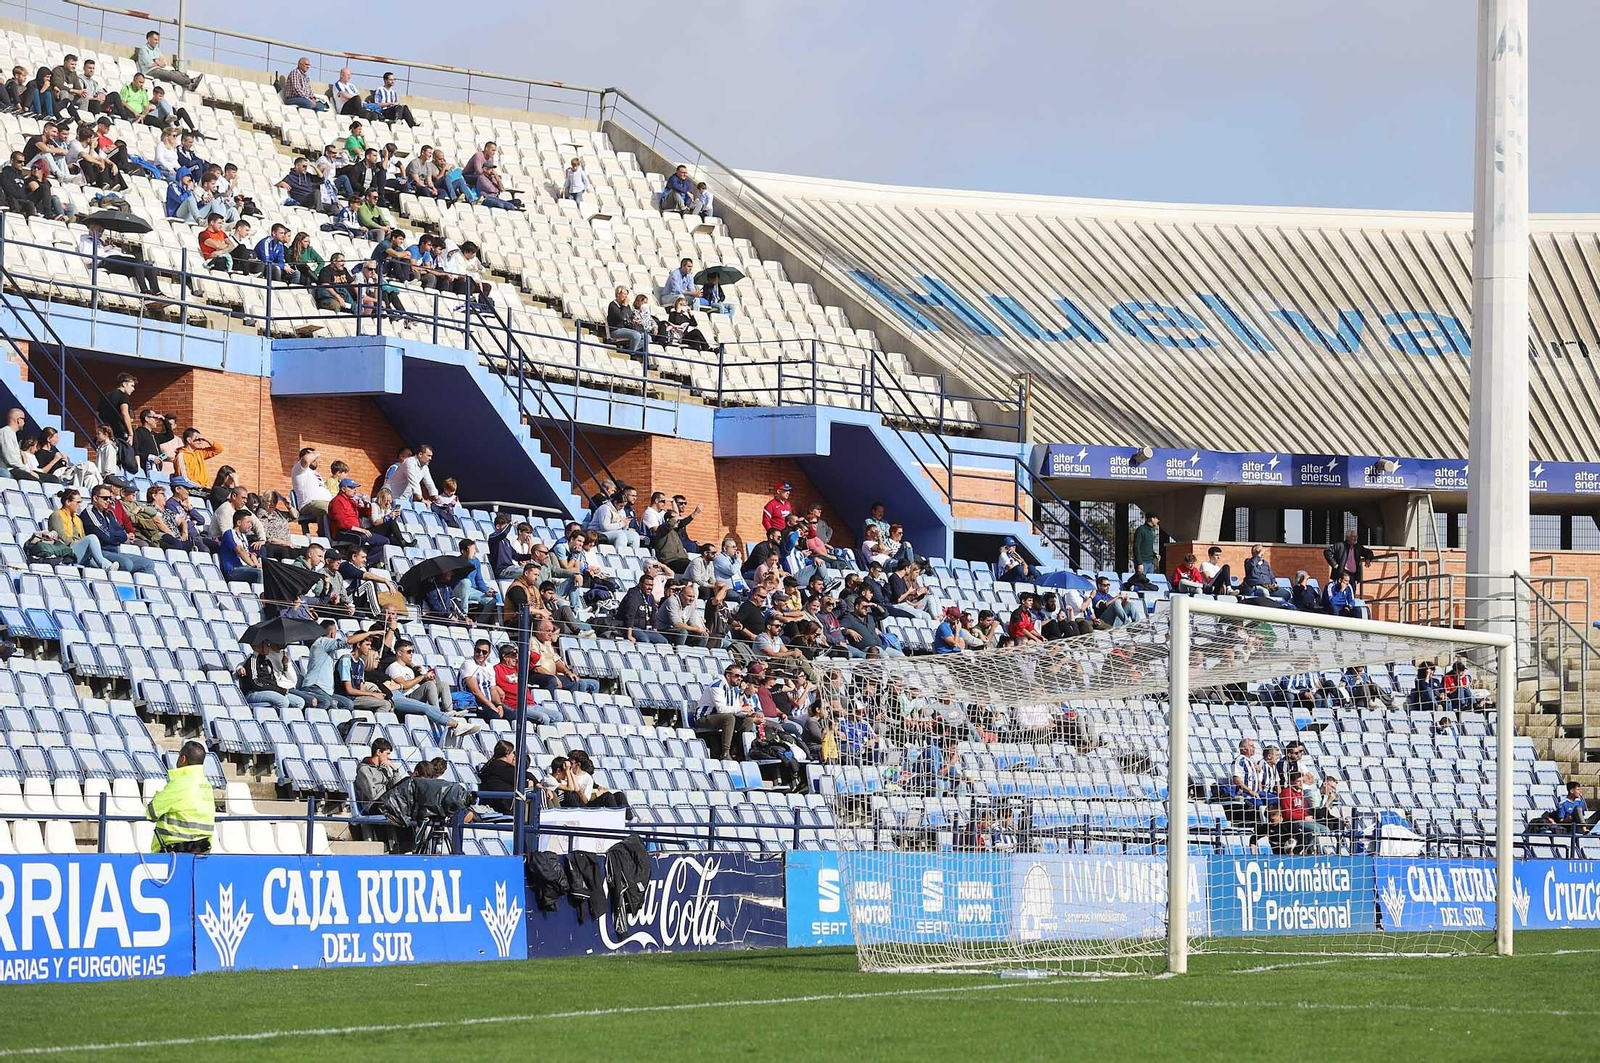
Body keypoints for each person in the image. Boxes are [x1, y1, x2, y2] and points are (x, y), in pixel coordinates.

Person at [146, 740, 214, 852]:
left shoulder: (179, 784)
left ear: (183, 759)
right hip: (201, 851)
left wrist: (158, 795)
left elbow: (151, 812)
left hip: (174, 852)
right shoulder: (206, 785)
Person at [79, 221, 163, 299]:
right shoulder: (86, 241)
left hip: (115, 259)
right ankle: (144, 292)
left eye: (102, 231)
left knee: (148, 267)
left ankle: (157, 292)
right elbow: (87, 258)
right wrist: (104, 249)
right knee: (137, 263)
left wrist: (113, 249)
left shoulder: (100, 242)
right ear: (92, 229)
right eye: (99, 230)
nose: (101, 234)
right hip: (106, 261)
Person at [695, 663, 758, 759]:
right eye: (737, 676)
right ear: (728, 676)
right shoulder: (717, 686)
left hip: (721, 717)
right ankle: (725, 753)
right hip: (704, 717)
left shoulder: (734, 689)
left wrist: (747, 714)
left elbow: (735, 709)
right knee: (729, 718)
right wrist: (742, 709)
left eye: (741, 676)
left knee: (748, 721)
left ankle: (741, 752)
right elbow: (721, 709)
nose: (740, 678)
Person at [529, 618, 598, 693]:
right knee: (551, 680)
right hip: (537, 675)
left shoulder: (547, 642)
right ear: (539, 631)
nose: (550, 634)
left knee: (574, 681)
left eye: (551, 631)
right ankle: (549, 699)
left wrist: (568, 672)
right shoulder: (533, 642)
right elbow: (537, 668)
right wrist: (553, 676)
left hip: (551, 675)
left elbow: (556, 661)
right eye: (548, 631)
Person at [134, 29, 202, 91]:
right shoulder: (143, 50)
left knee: (176, 72)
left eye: (158, 40)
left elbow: (164, 64)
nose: (157, 42)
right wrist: (157, 61)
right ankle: (190, 84)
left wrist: (156, 60)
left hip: (159, 70)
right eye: (155, 40)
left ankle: (191, 81)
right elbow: (149, 64)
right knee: (170, 74)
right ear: (149, 39)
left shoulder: (157, 50)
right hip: (149, 72)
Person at [353, 737, 401, 814]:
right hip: (374, 805)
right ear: (378, 752)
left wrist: (395, 770)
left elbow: (396, 787)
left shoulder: (383, 768)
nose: (389, 757)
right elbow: (373, 795)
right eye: (387, 753)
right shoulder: (364, 770)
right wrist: (388, 792)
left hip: (386, 801)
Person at [605, 285, 649, 355]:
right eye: (624, 294)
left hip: (627, 329)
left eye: (627, 294)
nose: (626, 296)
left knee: (647, 337)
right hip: (616, 330)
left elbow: (630, 316)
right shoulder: (613, 305)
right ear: (618, 294)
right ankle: (631, 353)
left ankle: (629, 350)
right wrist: (625, 305)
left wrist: (635, 319)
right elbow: (621, 317)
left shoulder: (627, 306)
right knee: (636, 335)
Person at [1132, 512, 1161, 577]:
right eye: (1157, 518)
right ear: (1152, 519)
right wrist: (1139, 563)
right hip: (1143, 563)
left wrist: (1155, 554)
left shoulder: (1151, 531)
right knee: (1141, 581)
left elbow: (1148, 548)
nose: (1158, 520)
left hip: (1151, 563)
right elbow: (1136, 547)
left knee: (1149, 582)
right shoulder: (1141, 530)